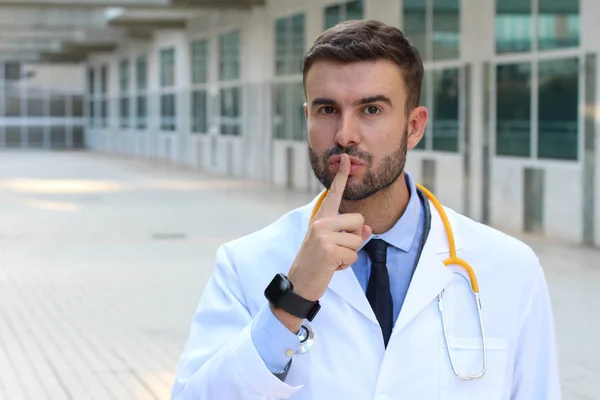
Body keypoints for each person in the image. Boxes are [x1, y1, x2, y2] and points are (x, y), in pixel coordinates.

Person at [170, 19, 561, 400]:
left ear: (414, 126)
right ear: (307, 118)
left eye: (370, 110)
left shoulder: (509, 267)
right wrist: (291, 301)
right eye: (327, 110)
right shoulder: (245, 263)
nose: (344, 134)